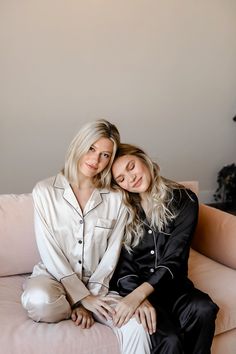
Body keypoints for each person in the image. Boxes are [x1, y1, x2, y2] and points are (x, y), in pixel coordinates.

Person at [21, 120, 151, 354]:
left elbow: (112, 255)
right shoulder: (44, 191)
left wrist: (92, 298)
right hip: (54, 278)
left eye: (105, 155)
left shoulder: (116, 198)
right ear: (78, 145)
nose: (95, 160)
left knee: (136, 325)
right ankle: (72, 305)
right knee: (39, 301)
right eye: (91, 149)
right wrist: (80, 299)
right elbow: (49, 250)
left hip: (99, 285)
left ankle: (77, 306)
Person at [110, 143, 219, 354]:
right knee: (169, 341)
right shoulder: (120, 209)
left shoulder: (184, 199)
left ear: (144, 158)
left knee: (204, 309)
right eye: (121, 179)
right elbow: (121, 264)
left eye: (131, 167)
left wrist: (137, 295)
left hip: (175, 287)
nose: (130, 179)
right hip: (137, 292)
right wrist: (136, 297)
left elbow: (175, 258)